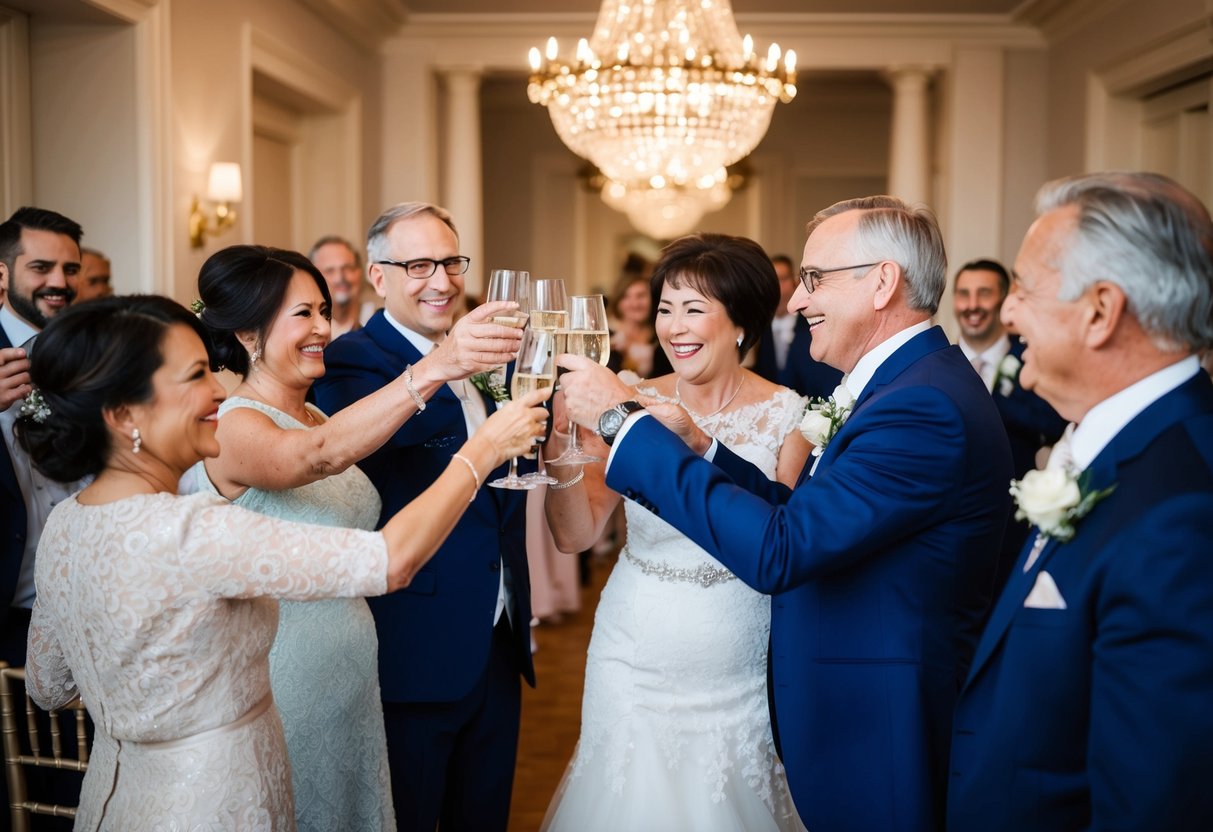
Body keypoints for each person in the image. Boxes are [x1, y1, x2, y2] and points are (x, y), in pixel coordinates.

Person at [558, 195, 1013, 831]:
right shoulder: (910, 386)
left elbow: (781, 549)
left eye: (814, 279)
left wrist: (620, 422)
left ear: (882, 282)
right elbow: (805, 517)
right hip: (831, 697)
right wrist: (704, 447)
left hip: (881, 718)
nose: (796, 301)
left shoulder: (921, 406)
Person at [15, 294, 547, 830]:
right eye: (196, 375)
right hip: (217, 802)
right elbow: (390, 562)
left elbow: (47, 684)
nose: (217, 392)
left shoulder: (65, 524)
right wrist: (484, 450)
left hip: (118, 799)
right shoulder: (194, 532)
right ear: (125, 414)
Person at [186, 244, 524, 831]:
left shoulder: (320, 414)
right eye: (303, 315)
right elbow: (315, 458)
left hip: (351, 678)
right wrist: (440, 366)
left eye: (323, 310)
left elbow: (335, 442)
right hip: (285, 676)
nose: (323, 327)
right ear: (247, 333)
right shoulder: (235, 424)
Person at [948, 172, 1213, 832]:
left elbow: (1153, 802)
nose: (1006, 313)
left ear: (1099, 311)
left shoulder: (1183, 511)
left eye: (1024, 290)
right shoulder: (1105, 447)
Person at [541, 233, 810, 831]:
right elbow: (576, 535)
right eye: (666, 308)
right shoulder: (628, 402)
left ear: (741, 320)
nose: (674, 327)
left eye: (694, 308)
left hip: (738, 657)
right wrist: (560, 447)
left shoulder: (789, 414)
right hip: (632, 649)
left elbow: (785, 533)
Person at [313, 202, 534, 832]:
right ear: (378, 278)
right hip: (414, 640)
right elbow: (358, 453)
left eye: (450, 262)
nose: (440, 280)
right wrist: (444, 363)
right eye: (417, 265)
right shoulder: (352, 360)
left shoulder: (489, 355)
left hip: (496, 632)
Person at [952, 257, 1066, 591]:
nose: (972, 305)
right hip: (949, 536)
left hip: (1016, 531)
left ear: (1004, 300)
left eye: (984, 293)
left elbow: (1055, 424)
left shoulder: (1036, 361)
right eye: (963, 294)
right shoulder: (935, 365)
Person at [0, 206, 82, 665]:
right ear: (2, 273)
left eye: (70, 269)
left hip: (87, 603)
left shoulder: (91, 352)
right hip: (9, 612)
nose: (59, 281)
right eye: (41, 267)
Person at [754, 253, 843, 399]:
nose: (776, 286)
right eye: (770, 280)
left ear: (794, 281)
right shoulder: (758, 329)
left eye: (782, 279)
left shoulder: (815, 322)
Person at [309, 235, 376, 338]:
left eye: (347, 268)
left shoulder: (379, 320)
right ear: (312, 278)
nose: (340, 278)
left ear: (360, 272)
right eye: (330, 270)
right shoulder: (307, 330)